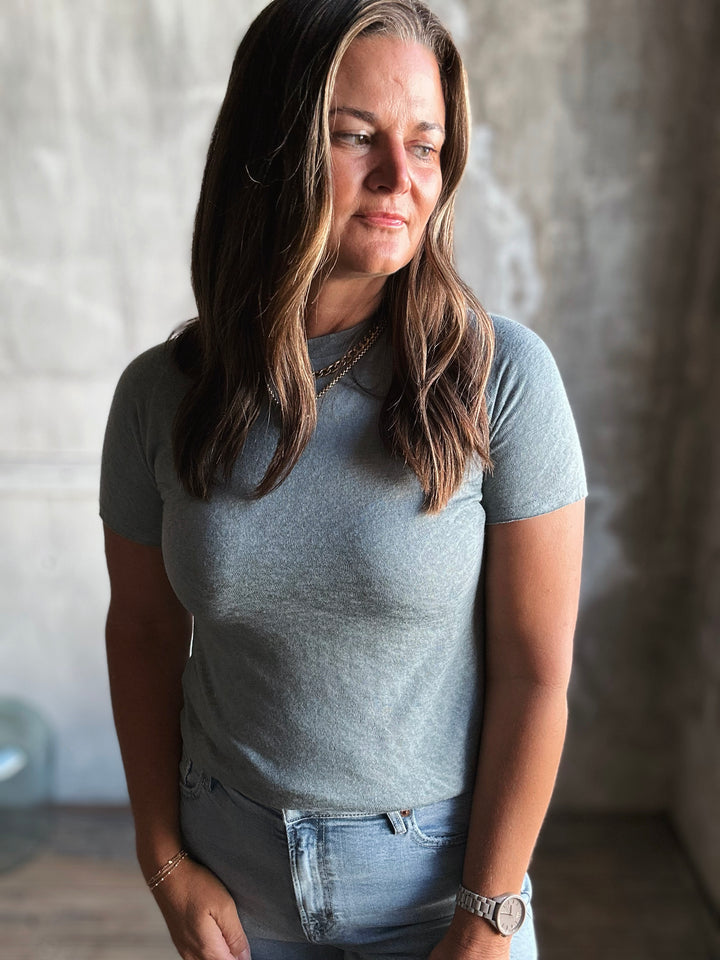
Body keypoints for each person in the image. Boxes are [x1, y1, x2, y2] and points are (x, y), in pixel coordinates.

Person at [100, 1, 587, 958]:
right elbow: (145, 633)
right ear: (274, 144)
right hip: (234, 885)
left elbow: (537, 675)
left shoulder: (503, 378)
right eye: (356, 136)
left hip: (443, 888)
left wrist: (488, 918)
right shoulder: (163, 395)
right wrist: (163, 860)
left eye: (427, 144)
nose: (401, 179)